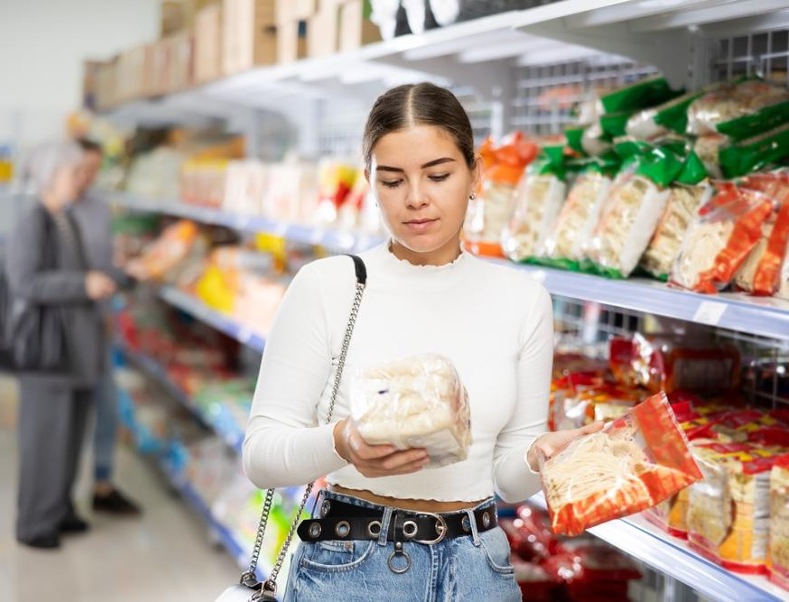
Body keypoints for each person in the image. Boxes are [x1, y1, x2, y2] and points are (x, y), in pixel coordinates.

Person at [243, 82, 601, 600]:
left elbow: (504, 475)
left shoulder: (522, 299)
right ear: (370, 182)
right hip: (354, 564)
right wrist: (339, 442)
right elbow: (260, 456)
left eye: (438, 174)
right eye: (392, 180)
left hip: (479, 565)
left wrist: (538, 457)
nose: (416, 198)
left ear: (475, 175)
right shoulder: (331, 286)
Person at [6, 139, 116, 549]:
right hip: (48, 354)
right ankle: (34, 522)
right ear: (53, 175)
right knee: (44, 440)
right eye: (75, 173)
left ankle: (60, 508)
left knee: (69, 436)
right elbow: (25, 281)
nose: (81, 180)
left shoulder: (63, 219)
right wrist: (83, 284)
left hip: (74, 351)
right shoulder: (33, 221)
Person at [71, 137, 142, 515]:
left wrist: (127, 269)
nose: (89, 177)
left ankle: (102, 484)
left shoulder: (99, 209)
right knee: (68, 415)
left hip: (99, 324)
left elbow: (104, 264)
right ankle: (58, 497)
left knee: (105, 406)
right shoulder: (52, 209)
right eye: (84, 169)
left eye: (95, 169)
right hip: (65, 331)